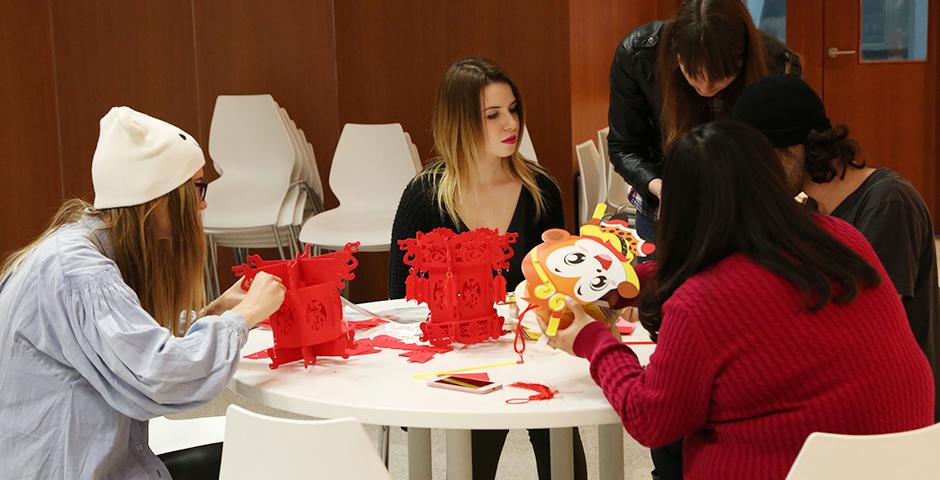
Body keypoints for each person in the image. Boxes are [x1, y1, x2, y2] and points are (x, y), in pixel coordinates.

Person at [543, 120, 934, 479]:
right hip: (905, 457)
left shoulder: (701, 303)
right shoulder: (840, 236)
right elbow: (747, 270)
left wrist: (594, 340)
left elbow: (650, 419)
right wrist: (627, 281)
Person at [0, 107, 285, 479]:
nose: (203, 204)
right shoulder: (80, 273)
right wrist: (244, 316)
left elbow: (132, 349)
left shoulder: (80, 250)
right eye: (197, 188)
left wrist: (212, 313)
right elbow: (162, 377)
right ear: (159, 198)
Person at [388, 58, 583, 480]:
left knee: (565, 456)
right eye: (493, 115)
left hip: (534, 348)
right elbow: (400, 299)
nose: (510, 124)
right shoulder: (425, 196)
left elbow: (559, 281)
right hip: (463, 355)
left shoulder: (539, 189)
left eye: (513, 110)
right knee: (474, 456)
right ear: (459, 122)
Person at [732, 74, 940, 420]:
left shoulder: (889, 203)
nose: (755, 177)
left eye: (759, 163)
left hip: (894, 414)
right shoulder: (812, 210)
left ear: (792, 152)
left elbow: (866, 330)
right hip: (851, 394)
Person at [607, 0, 801, 244]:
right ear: (675, 51)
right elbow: (625, 147)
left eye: (721, 77)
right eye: (693, 74)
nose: (706, 87)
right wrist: (662, 188)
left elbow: (783, 151)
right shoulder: (638, 54)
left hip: (745, 211)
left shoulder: (775, 64)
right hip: (667, 207)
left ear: (743, 60)